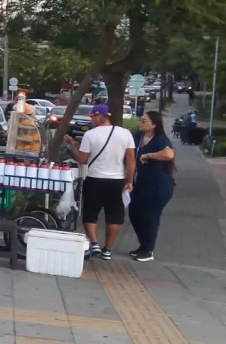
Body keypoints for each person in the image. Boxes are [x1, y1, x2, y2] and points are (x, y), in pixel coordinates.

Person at [63, 105, 136, 260]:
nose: (91, 120)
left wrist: (73, 145)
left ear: (99, 116)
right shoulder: (126, 134)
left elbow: (82, 160)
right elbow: (130, 160)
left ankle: (94, 243)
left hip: (95, 179)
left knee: (90, 213)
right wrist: (129, 180)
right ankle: (107, 250)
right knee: (114, 216)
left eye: (92, 117)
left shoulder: (90, 135)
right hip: (117, 181)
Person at [129, 111, 176, 262]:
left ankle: (148, 250)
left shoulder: (160, 140)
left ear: (154, 124)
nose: (140, 123)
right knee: (134, 213)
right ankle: (143, 245)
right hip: (140, 183)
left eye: (144, 121)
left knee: (150, 216)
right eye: (140, 120)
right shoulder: (138, 137)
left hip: (158, 185)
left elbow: (169, 155)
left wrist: (149, 155)